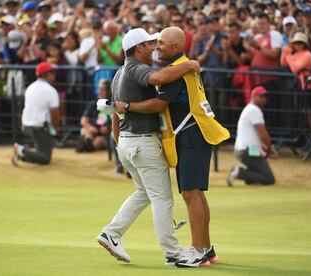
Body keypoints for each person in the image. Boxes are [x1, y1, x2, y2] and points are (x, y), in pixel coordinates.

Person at [115, 27, 230, 267]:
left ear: (176, 48)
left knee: (191, 193)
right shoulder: (181, 67)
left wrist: (127, 106)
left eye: (162, 44)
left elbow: (158, 103)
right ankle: (206, 249)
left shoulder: (175, 71)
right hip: (193, 135)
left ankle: (198, 251)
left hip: (191, 135)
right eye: (154, 44)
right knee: (194, 193)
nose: (157, 47)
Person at [96, 28, 204, 267]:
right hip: (142, 142)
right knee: (162, 199)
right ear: (139, 48)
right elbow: (158, 80)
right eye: (150, 43)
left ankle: (111, 234)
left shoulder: (118, 74)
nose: (154, 46)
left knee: (143, 193)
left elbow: (116, 113)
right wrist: (187, 66)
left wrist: (119, 147)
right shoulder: (136, 68)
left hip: (126, 142)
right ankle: (173, 253)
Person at [12, 62, 60, 166]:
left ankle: (26, 150)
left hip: (25, 125)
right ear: (46, 74)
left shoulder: (30, 87)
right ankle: (21, 150)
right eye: (52, 72)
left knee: (44, 145)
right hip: (39, 128)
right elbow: (55, 114)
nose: (54, 75)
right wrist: (54, 130)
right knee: (45, 158)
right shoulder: (50, 90)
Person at [227, 86, 277, 186]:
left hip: (245, 150)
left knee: (261, 172)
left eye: (265, 97)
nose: (264, 99)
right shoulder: (254, 110)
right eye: (261, 96)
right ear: (253, 97)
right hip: (247, 151)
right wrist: (270, 150)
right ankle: (238, 172)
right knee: (269, 178)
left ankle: (249, 178)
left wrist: (267, 150)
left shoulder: (250, 109)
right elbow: (263, 135)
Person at [76, 79, 110, 153]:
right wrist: (90, 128)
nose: (99, 91)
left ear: (109, 91)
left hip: (104, 135)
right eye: (99, 89)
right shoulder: (93, 104)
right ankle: (85, 142)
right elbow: (83, 120)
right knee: (84, 131)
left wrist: (108, 129)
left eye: (103, 89)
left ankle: (86, 146)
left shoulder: (112, 105)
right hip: (92, 131)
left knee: (99, 140)